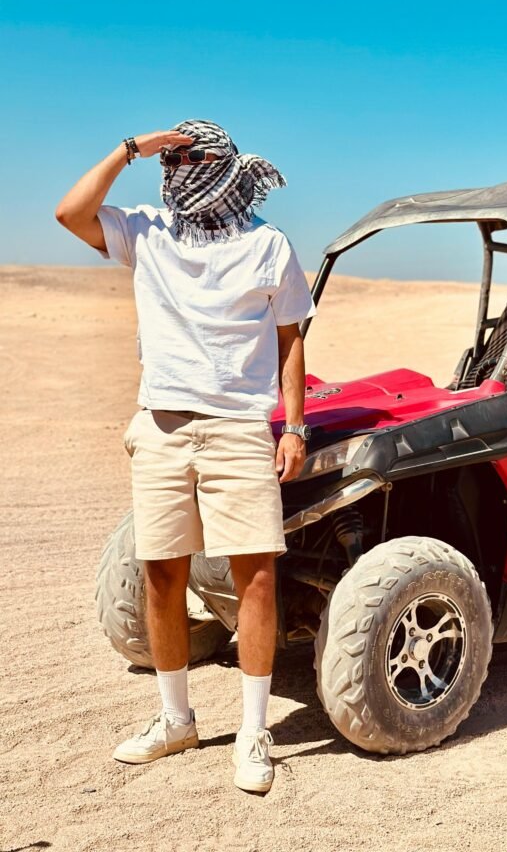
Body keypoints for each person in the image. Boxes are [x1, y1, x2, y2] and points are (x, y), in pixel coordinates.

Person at [55, 119, 315, 794]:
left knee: (255, 578)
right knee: (162, 576)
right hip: (162, 429)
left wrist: (294, 427)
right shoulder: (147, 232)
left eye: (191, 161)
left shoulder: (268, 245)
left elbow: (291, 340)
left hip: (238, 430)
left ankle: (255, 733)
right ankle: (176, 719)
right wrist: (130, 147)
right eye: (171, 163)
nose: (178, 174)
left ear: (225, 169)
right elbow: (69, 211)